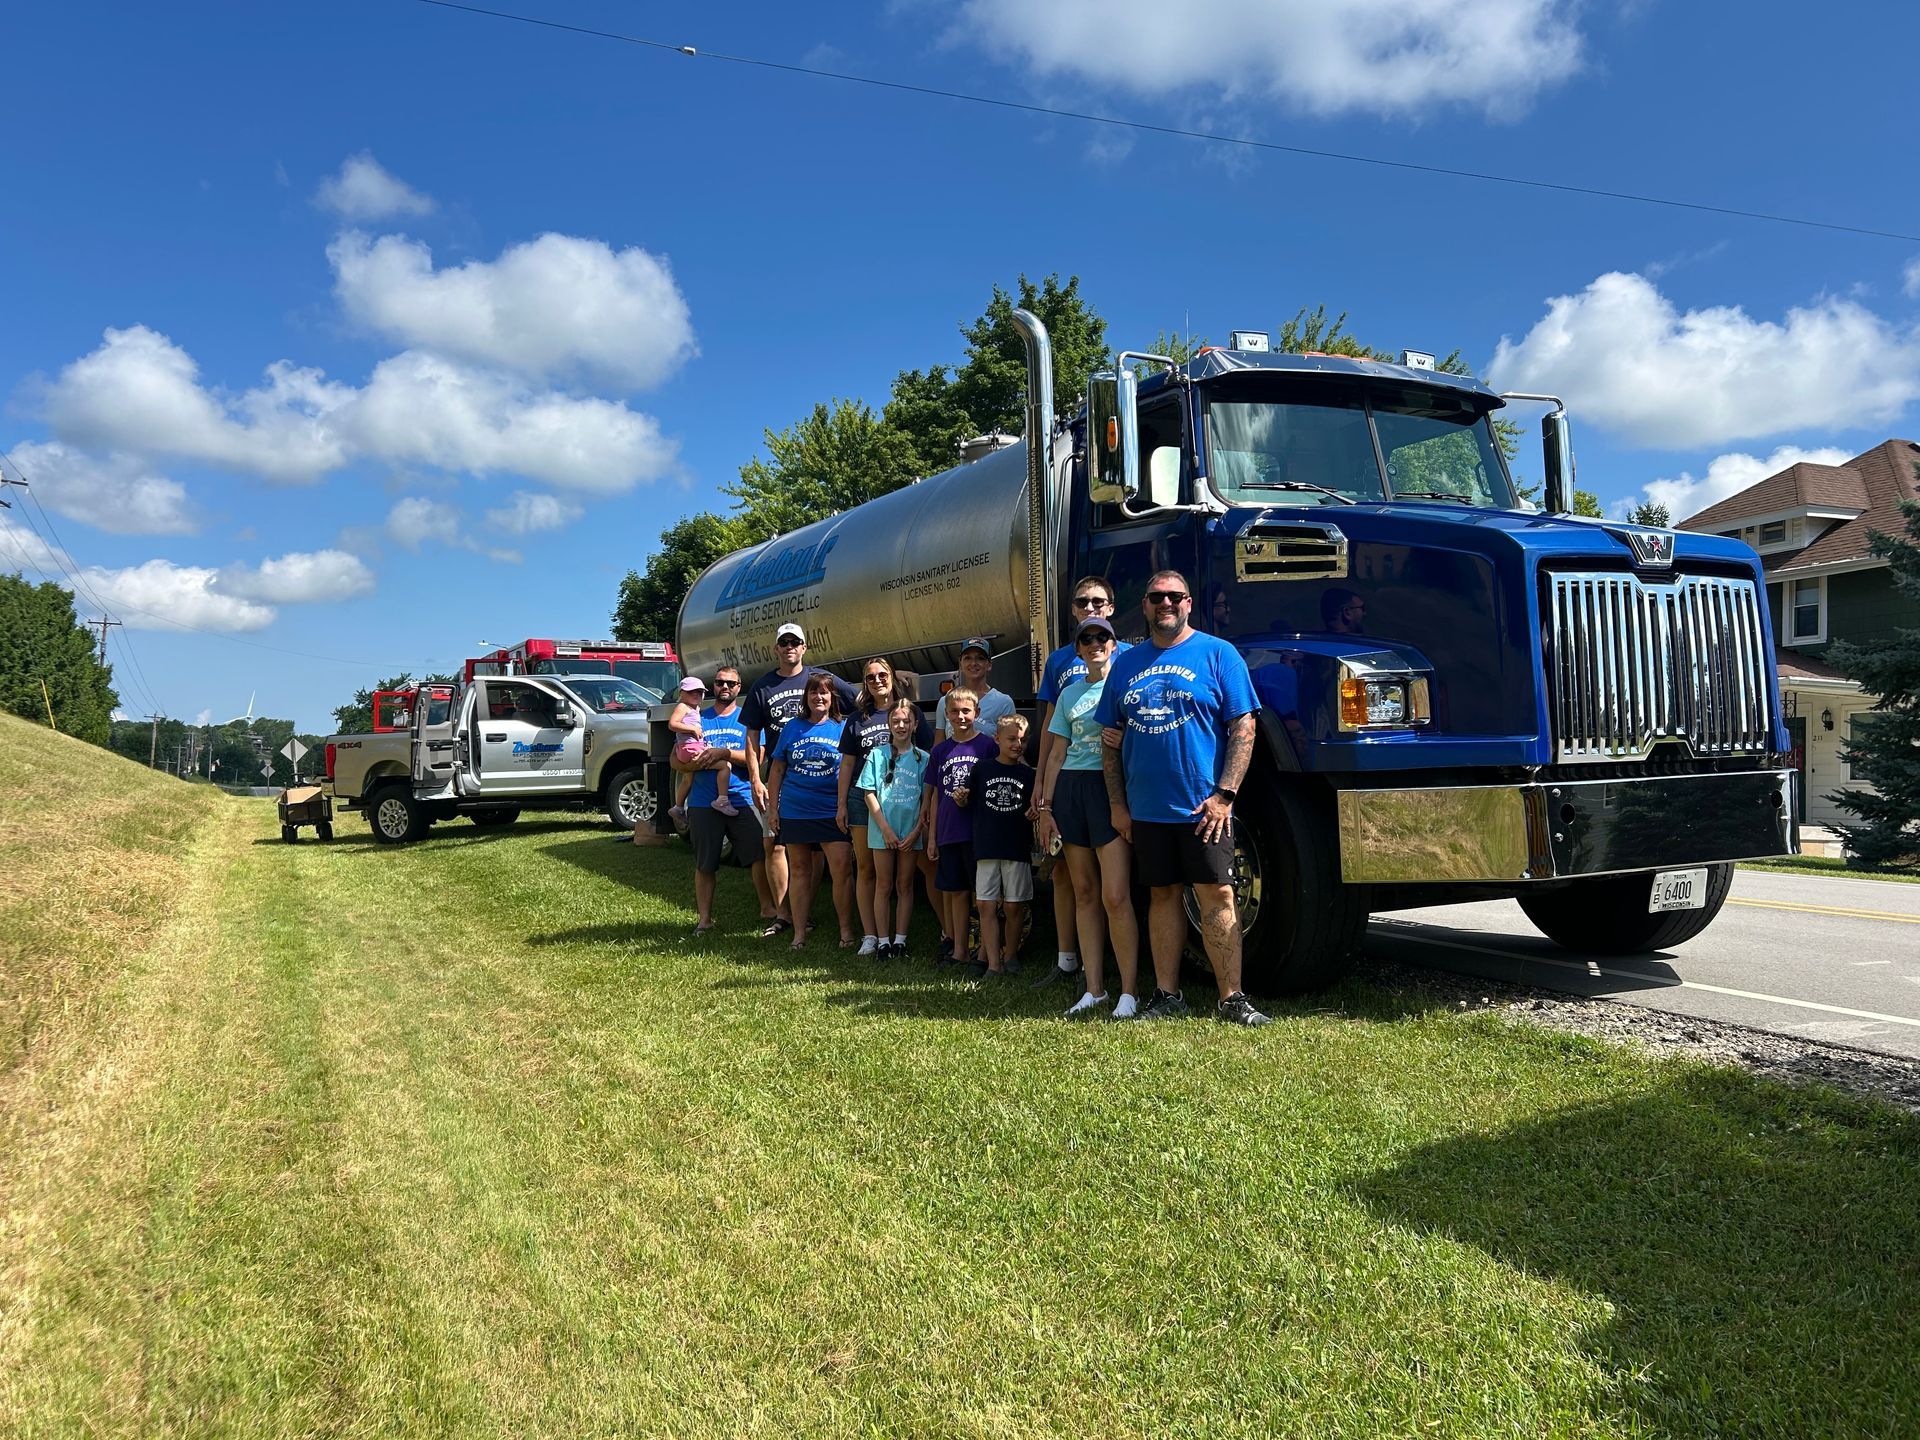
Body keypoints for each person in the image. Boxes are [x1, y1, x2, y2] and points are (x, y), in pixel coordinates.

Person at [1096, 569, 1270, 1026]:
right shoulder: (1126, 664)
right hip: (1147, 808)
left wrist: (1225, 795)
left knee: (1218, 894)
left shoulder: (1218, 654)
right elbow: (1109, 740)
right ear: (1145, 605)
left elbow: (1244, 727)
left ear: (1189, 603)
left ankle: (1231, 998)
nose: (1166, 604)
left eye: (1175, 596)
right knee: (1162, 895)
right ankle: (1167, 995)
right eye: (1156, 597)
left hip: (1204, 809)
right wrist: (1118, 805)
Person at [1035, 614, 1140, 1020]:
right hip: (1071, 791)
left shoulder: (1127, 687)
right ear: (1078, 650)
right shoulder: (1069, 694)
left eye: (1102, 638)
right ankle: (1094, 989)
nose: (1095, 643)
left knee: (1115, 895)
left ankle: (1128, 992)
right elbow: (1056, 754)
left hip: (1108, 789)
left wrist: (1125, 737)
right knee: (1083, 891)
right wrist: (1045, 807)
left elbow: (1146, 737)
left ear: (1114, 645)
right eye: (1087, 639)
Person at [743, 623, 859, 938]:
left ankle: (821, 921)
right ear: (776, 648)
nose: (790, 647)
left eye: (795, 642)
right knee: (775, 847)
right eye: (784, 642)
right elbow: (753, 736)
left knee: (827, 860)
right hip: (787, 788)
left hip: (827, 800)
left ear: (804, 647)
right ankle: (786, 918)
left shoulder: (823, 680)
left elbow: (863, 701)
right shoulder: (764, 687)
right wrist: (755, 779)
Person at [673, 666, 781, 934]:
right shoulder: (697, 717)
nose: (725, 687)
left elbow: (758, 758)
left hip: (741, 798)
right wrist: (696, 763)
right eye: (720, 682)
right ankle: (704, 920)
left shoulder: (748, 721)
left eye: (731, 684)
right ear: (713, 686)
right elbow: (676, 759)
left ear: (739, 687)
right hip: (702, 801)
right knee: (705, 863)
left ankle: (767, 908)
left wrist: (724, 754)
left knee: (758, 855)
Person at [839, 657, 933, 956]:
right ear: (864, 683)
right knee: (868, 870)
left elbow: (928, 761)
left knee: (905, 881)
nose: (877, 680)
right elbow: (847, 764)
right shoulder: (858, 719)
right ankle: (873, 936)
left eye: (882, 675)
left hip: (907, 809)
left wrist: (920, 822)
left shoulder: (911, 715)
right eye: (870, 677)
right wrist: (841, 804)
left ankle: (900, 938)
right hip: (868, 802)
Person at [767, 673, 856, 950]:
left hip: (831, 809)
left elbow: (849, 767)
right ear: (806, 697)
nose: (819, 697)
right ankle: (799, 934)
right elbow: (777, 768)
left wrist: (843, 806)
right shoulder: (792, 727)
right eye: (814, 692)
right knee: (799, 870)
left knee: (842, 870)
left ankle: (846, 932)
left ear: (832, 698)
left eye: (824, 693)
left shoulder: (842, 727)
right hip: (796, 809)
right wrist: (773, 809)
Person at [922, 688, 996, 966]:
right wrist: (932, 838)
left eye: (966, 711)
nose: (961, 716)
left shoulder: (987, 746)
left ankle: (985, 952)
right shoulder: (940, 751)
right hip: (949, 832)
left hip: (977, 832)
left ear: (977, 713)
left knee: (983, 894)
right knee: (956, 891)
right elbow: (935, 796)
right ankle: (959, 950)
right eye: (954, 711)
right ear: (946, 714)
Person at [858, 698, 931, 959]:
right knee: (883, 884)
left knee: (905, 884)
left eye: (906, 721)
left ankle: (900, 940)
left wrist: (916, 831)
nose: (901, 725)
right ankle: (883, 941)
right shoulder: (877, 755)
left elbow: (926, 800)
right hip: (883, 831)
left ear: (915, 725)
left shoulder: (924, 759)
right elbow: (869, 793)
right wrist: (885, 829)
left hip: (910, 832)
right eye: (896, 721)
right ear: (889, 724)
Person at [970, 714, 1035, 978]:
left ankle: (1011, 956)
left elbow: (1036, 806)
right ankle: (993, 964)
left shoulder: (1029, 775)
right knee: (985, 905)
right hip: (986, 847)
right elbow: (968, 802)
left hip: (1016, 847)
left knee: (1013, 906)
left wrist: (1035, 812)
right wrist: (961, 798)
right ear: (997, 739)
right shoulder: (982, 769)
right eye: (1012, 739)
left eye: (1023, 740)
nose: (1018, 745)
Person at [667, 677, 738, 823]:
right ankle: (722, 800)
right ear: (681, 693)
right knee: (725, 766)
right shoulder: (682, 707)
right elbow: (672, 724)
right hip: (690, 748)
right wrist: (692, 729)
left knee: (688, 779)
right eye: (691, 692)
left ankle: (678, 807)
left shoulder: (696, 709)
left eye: (699, 692)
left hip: (689, 748)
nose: (696, 695)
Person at [942, 638, 1016, 739]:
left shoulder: (1003, 703)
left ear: (989, 665)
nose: (973, 663)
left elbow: (1010, 744)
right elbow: (939, 745)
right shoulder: (945, 701)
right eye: (968, 658)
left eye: (980, 658)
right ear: (960, 663)